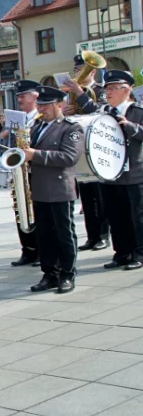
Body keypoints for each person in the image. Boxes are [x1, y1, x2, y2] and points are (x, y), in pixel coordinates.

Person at [65, 69, 143, 270]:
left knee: (138, 216)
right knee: (116, 216)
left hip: (134, 173)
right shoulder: (106, 112)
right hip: (110, 174)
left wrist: (130, 127)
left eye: (114, 88)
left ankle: (139, 253)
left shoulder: (138, 111)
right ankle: (122, 253)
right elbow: (91, 110)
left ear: (127, 90)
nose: (108, 92)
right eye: (107, 88)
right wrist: (78, 93)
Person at [18, 86, 83, 294]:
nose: (41, 109)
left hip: (59, 188)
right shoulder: (36, 127)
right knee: (44, 235)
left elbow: (68, 158)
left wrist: (34, 155)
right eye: (39, 104)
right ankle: (49, 273)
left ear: (60, 105)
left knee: (64, 233)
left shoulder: (71, 128)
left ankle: (67, 273)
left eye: (46, 105)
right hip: (39, 189)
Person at [5, 80, 42, 265]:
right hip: (20, 171)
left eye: (23, 95)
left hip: (36, 171)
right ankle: (27, 249)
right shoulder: (18, 118)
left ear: (35, 96)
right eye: (18, 96)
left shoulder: (41, 118)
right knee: (20, 208)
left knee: (36, 211)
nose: (19, 99)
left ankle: (40, 249)